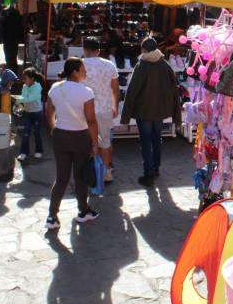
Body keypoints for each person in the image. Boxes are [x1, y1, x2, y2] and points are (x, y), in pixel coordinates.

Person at [45, 57, 100, 230]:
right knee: (80, 176)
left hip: (60, 135)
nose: (85, 71)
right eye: (83, 68)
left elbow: (49, 113)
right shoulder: (86, 92)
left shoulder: (55, 88)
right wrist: (95, 143)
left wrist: (54, 129)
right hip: (80, 136)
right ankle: (83, 211)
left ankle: (52, 216)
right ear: (75, 71)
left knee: (61, 177)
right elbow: (91, 121)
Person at [120, 37, 181, 187]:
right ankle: (156, 167)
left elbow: (132, 90)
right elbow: (174, 89)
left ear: (143, 49)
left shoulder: (142, 65)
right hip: (160, 110)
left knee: (146, 141)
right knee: (156, 138)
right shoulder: (165, 65)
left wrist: (126, 116)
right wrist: (175, 113)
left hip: (144, 111)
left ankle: (149, 173)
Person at [81, 37, 120, 183]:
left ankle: (86, 171)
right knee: (105, 141)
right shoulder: (109, 65)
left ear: (84, 49)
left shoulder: (80, 64)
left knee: (85, 141)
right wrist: (115, 106)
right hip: (104, 109)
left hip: (84, 109)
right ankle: (107, 172)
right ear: (98, 50)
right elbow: (115, 89)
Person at [12, 68, 44, 161]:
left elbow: (29, 98)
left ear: (32, 78)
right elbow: (24, 97)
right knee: (26, 133)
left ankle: (39, 151)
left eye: (25, 78)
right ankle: (23, 152)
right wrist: (18, 102)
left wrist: (17, 99)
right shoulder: (25, 86)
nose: (24, 80)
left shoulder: (38, 87)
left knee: (37, 133)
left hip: (37, 113)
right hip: (28, 112)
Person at [2, 2, 24, 74]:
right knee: (13, 55)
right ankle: (13, 69)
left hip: (9, 38)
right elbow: (20, 26)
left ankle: (12, 70)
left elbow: (2, 26)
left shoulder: (6, 13)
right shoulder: (17, 14)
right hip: (13, 38)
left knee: (9, 55)